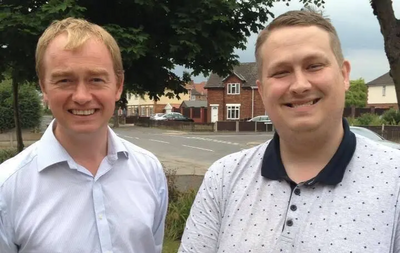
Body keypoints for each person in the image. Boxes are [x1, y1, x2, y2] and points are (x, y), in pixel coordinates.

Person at [179, 10, 400, 252]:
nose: (300, 85)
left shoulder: (394, 180)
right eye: (281, 72)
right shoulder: (223, 178)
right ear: (262, 90)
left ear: (344, 74)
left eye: (314, 66)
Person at [0, 18, 168, 253]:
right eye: (64, 80)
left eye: (96, 79)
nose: (81, 96)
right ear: (44, 88)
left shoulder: (150, 171)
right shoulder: (6, 188)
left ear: (118, 85)